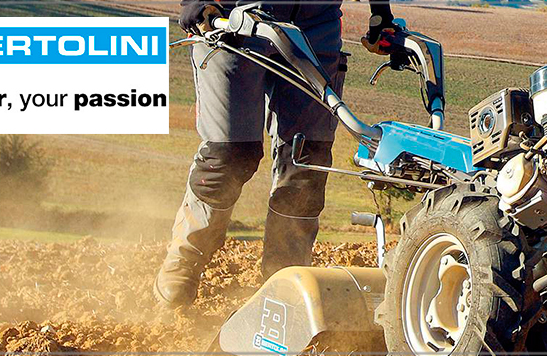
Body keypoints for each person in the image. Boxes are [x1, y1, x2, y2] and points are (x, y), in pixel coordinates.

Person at [154, 0, 403, 308]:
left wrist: (380, 13)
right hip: (233, 16)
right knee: (230, 155)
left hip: (316, 24)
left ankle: (282, 286)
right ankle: (184, 262)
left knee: (306, 162)